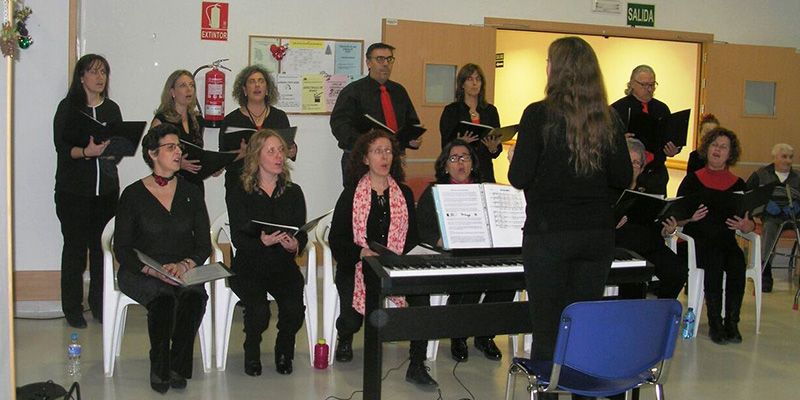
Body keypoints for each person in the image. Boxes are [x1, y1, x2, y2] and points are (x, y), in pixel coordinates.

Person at [508, 37, 632, 400]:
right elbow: (623, 177)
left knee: (547, 330)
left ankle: (546, 395)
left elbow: (519, 178)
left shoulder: (537, 114)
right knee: (582, 328)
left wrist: (521, 157)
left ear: (557, 69)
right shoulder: (608, 117)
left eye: (548, 62)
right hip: (595, 235)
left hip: (548, 235)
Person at [329, 129, 437, 388]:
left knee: (422, 301)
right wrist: (360, 252)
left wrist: (416, 254)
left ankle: (416, 364)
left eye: (389, 151)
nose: (385, 156)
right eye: (378, 151)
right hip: (358, 265)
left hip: (395, 265)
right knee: (353, 319)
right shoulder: (352, 193)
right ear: (365, 159)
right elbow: (337, 239)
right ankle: (345, 335)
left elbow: (412, 239)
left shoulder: (405, 193)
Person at [113, 124, 210, 393]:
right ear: (152, 153)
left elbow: (203, 244)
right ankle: (160, 362)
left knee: (193, 297)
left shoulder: (191, 192)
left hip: (182, 268)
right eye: (171, 147)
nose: (178, 151)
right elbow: (122, 248)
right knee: (164, 299)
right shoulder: (133, 194)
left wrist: (185, 264)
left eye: (179, 147)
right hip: (141, 270)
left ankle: (178, 364)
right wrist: (153, 271)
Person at [416, 139, 514, 362]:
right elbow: (422, 229)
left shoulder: (486, 190)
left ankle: (485, 336)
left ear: (473, 164)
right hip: (451, 254)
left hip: (486, 251)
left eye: (465, 157)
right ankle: (458, 336)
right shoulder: (434, 191)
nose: (460, 162)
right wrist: (440, 240)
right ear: (445, 165)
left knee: (507, 279)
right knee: (469, 276)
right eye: (454, 158)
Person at [225, 130, 307, 376]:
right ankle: (252, 351)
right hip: (249, 264)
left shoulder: (293, 192)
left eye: (281, 150)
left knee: (293, 307)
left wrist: (295, 245)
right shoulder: (240, 190)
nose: (278, 156)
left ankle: (284, 351)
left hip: (282, 263)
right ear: (256, 156)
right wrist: (261, 241)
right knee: (259, 311)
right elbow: (239, 238)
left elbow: (300, 232)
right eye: (271, 151)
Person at [53, 54, 122, 328]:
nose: (99, 77)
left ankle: (100, 304)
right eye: (93, 72)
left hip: (105, 192)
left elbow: (118, 148)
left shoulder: (112, 109)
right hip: (73, 192)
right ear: (81, 77)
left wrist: (111, 152)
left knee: (101, 248)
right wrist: (86, 152)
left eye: (103, 72)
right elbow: (61, 148)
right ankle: (72, 307)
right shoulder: (68, 108)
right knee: (75, 250)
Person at [678, 127, 754, 344]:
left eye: (723, 147)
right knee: (714, 260)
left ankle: (732, 322)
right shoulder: (692, 180)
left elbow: (749, 222)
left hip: (726, 241)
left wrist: (746, 224)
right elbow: (677, 215)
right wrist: (690, 218)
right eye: (714, 145)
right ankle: (715, 323)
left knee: (737, 263)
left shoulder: (738, 184)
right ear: (706, 148)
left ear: (730, 154)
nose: (717, 150)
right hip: (699, 241)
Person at [330, 42, 422, 182]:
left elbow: (412, 122)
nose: (385, 63)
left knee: (392, 200)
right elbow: (339, 125)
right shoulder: (353, 91)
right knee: (360, 201)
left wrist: (413, 140)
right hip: (360, 160)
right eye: (380, 59)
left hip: (392, 160)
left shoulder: (399, 91)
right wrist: (365, 144)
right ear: (368, 62)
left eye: (389, 59)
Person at [615, 138, 688, 299]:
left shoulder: (650, 189)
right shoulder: (610, 189)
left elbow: (659, 222)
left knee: (678, 271)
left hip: (650, 243)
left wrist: (668, 230)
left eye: (636, 162)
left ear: (641, 168)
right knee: (631, 272)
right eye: (628, 161)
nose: (632, 165)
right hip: (621, 244)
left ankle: (660, 311)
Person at [611, 65, 679, 195]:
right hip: (627, 172)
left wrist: (674, 150)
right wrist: (620, 141)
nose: (649, 89)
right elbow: (604, 142)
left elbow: (671, 138)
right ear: (632, 84)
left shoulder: (662, 109)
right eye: (644, 85)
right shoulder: (617, 109)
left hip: (655, 173)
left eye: (652, 85)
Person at [221, 65, 292, 190]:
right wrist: (241, 153)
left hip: (274, 183)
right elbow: (221, 159)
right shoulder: (230, 120)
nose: (257, 85)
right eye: (252, 82)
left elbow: (288, 151)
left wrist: (292, 149)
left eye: (261, 81)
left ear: (267, 89)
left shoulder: (279, 117)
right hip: (239, 185)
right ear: (244, 90)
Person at [746, 143, 800, 292]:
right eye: (784, 157)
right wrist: (762, 208)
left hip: (793, 216)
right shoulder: (761, 174)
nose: (788, 161)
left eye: (790, 157)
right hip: (771, 216)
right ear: (775, 158)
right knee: (769, 227)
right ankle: (766, 270)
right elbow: (748, 197)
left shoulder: (797, 177)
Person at [439, 64, 503, 183]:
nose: (475, 83)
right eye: (470, 79)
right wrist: (461, 143)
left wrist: (493, 148)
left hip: (485, 171)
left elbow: (497, 149)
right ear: (462, 84)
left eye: (478, 79)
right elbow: (445, 146)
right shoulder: (451, 111)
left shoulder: (490, 111)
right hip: (460, 171)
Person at [151, 70, 207, 191]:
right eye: (183, 85)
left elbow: (198, 153)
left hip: (195, 185)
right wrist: (178, 163)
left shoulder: (197, 119)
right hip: (169, 184)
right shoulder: (161, 120)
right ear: (172, 92)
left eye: (192, 85)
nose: (189, 89)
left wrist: (212, 165)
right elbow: (151, 153)